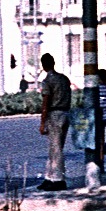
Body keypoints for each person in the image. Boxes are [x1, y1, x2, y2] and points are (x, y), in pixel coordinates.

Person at [37, 52, 71, 190]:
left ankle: (58, 179)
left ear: (44, 65)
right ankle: (49, 176)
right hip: (65, 112)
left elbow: (45, 103)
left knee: (55, 148)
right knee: (56, 146)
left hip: (54, 113)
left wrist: (42, 122)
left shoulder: (48, 81)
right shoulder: (63, 79)